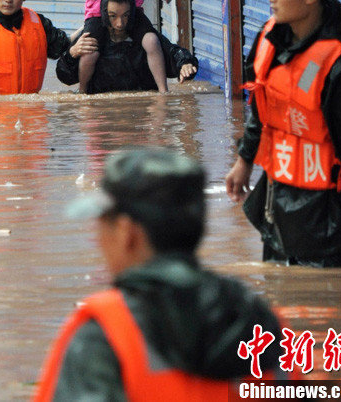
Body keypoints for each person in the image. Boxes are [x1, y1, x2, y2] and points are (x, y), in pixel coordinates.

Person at [32, 148, 284, 401]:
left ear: (126, 232)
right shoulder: (260, 322)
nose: (98, 240)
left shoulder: (102, 337)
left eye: (102, 225)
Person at [225, 0, 341, 269]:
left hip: (330, 220)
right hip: (277, 208)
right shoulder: (269, 41)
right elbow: (262, 108)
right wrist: (244, 160)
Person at [56, 0, 198, 93]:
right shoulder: (92, 37)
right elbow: (64, 75)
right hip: (101, 116)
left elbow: (173, 52)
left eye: (126, 16)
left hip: (141, 114)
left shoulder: (146, 37)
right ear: (105, 14)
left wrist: (185, 64)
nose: (120, 24)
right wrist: (72, 53)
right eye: (113, 16)